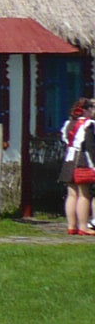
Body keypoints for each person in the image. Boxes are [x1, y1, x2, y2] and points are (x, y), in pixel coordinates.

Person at [62, 98, 95, 235]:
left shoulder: (69, 124)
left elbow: (65, 141)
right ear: (86, 110)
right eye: (92, 108)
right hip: (83, 160)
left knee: (71, 195)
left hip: (69, 161)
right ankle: (83, 227)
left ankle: (71, 226)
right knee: (84, 195)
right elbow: (90, 147)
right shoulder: (88, 125)